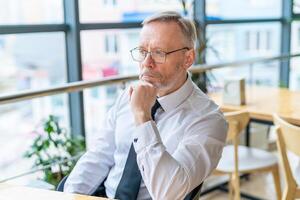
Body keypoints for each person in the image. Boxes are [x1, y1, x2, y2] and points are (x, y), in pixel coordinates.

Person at [64, 11, 227, 200]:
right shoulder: (127, 96)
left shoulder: (208, 119)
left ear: (188, 59)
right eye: (142, 52)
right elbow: (99, 156)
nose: (146, 63)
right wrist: (69, 195)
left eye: (159, 53)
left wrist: (143, 118)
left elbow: (169, 192)